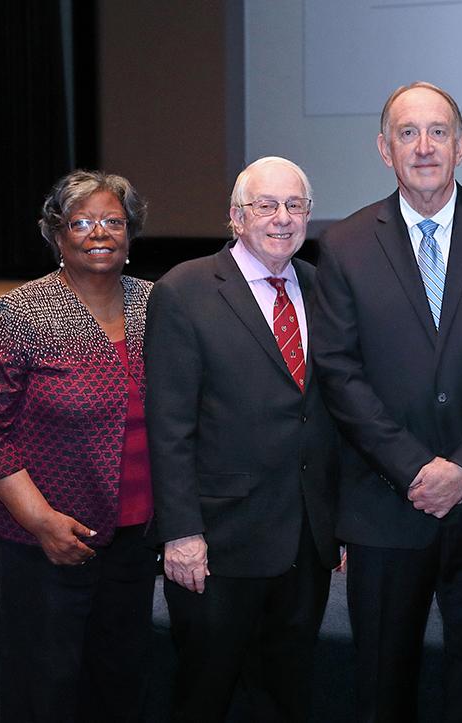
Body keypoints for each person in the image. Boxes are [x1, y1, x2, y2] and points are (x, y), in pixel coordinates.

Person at [311, 81, 462, 722]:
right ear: (383, 149)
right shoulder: (343, 245)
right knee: (381, 683)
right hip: (385, 504)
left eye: (438, 132)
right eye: (407, 133)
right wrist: (415, 469)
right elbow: (338, 372)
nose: (424, 147)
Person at [144, 156, 339, 721]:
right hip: (218, 544)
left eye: (295, 205)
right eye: (266, 205)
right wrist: (181, 534)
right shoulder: (185, 290)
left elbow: (329, 414)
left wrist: (336, 521)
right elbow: (170, 425)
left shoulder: (323, 287)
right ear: (235, 216)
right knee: (206, 693)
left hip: (305, 540)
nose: (282, 218)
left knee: (286, 693)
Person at [0, 170, 156, 722]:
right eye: (83, 222)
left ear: (131, 231)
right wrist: (41, 521)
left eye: (113, 221)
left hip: (135, 534)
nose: (100, 233)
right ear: (57, 233)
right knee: (42, 688)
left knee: (119, 682)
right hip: (44, 538)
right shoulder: (21, 314)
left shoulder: (156, 305)